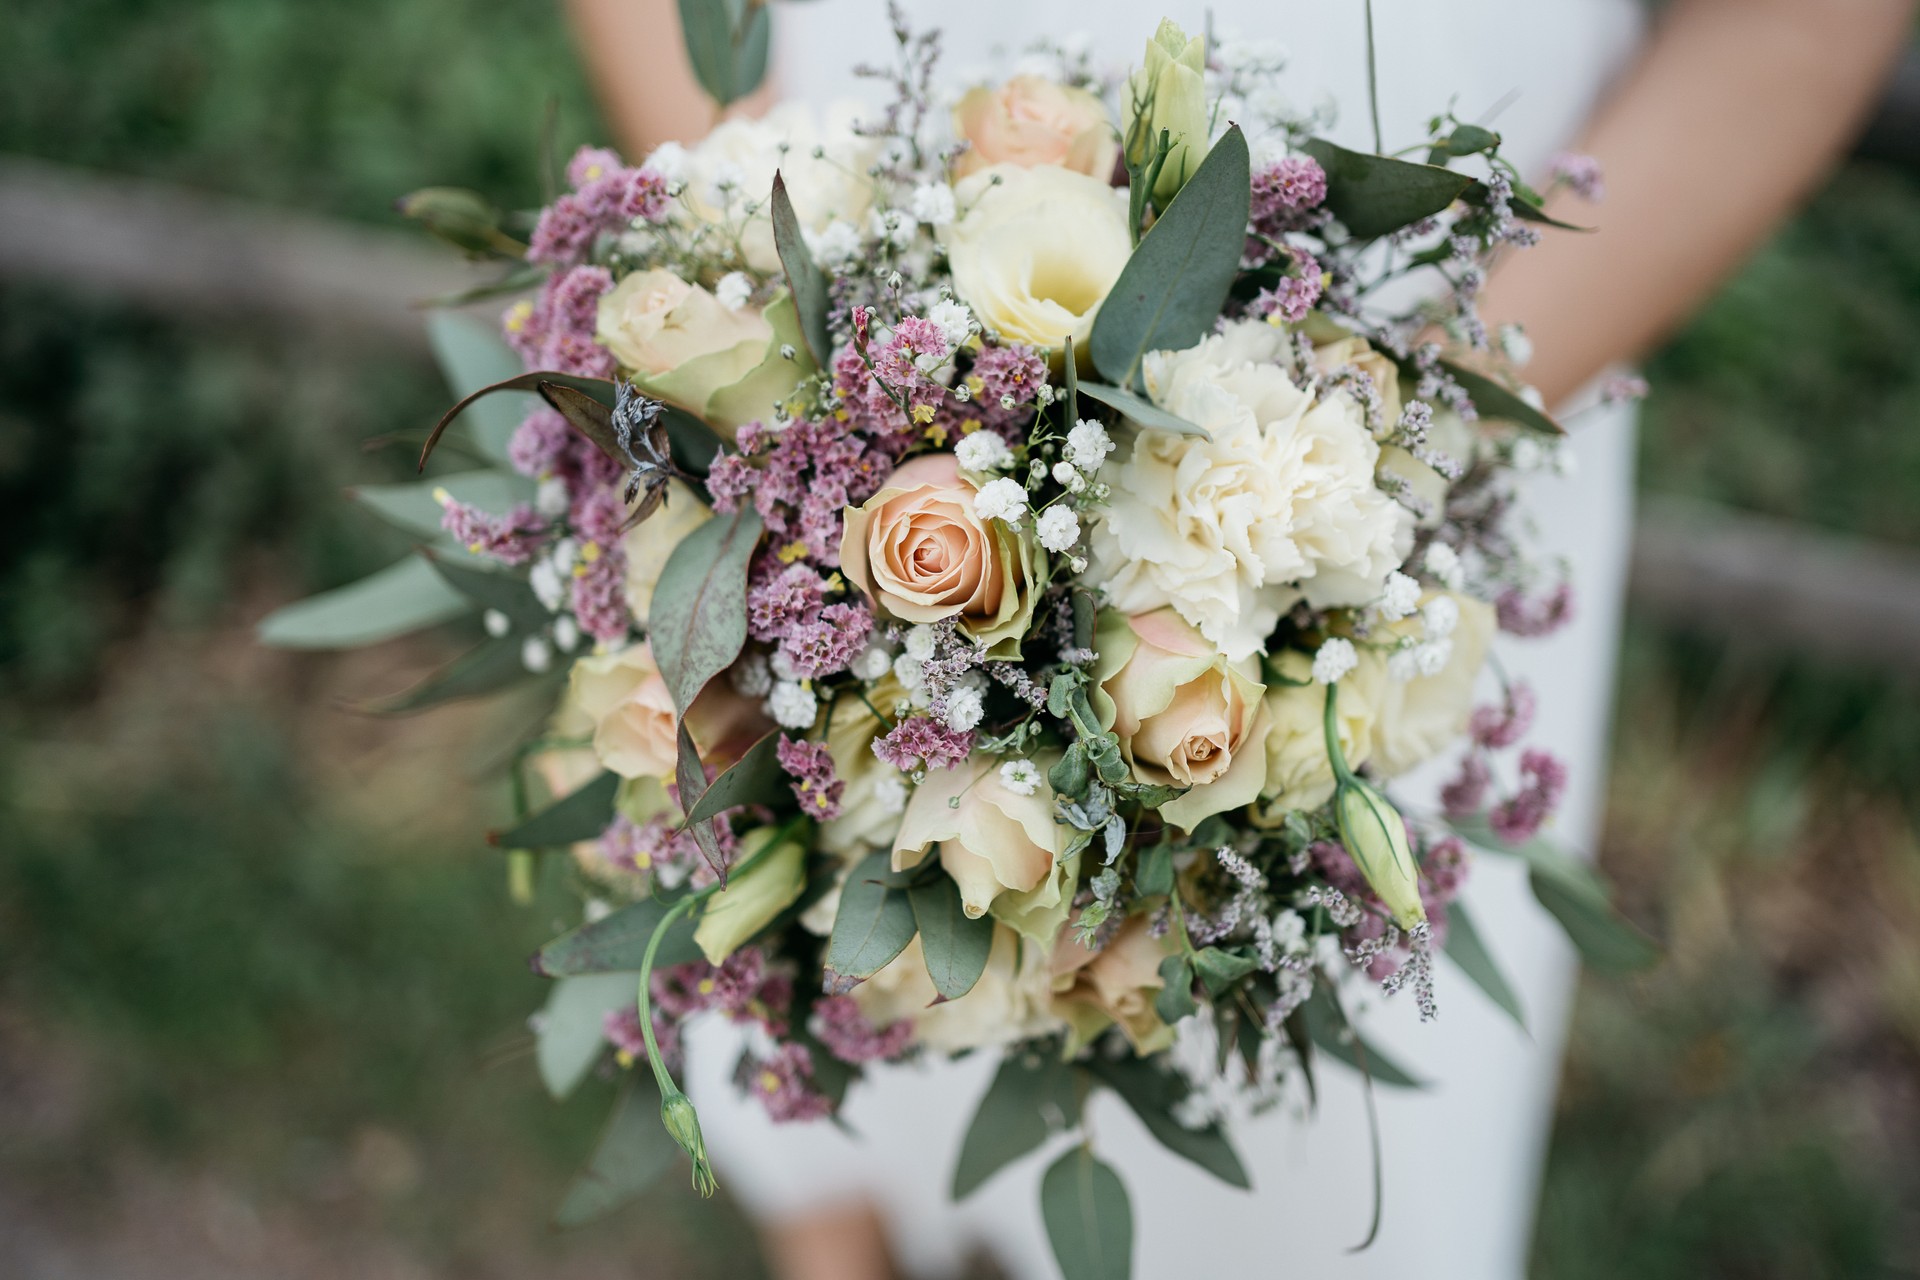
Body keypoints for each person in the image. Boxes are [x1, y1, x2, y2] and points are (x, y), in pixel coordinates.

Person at [561, 1, 1916, 1276]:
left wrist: (1384, 441)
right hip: (863, 241)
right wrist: (753, 257)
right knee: (837, 1009)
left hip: (1428, 391)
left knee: (1298, 1148)